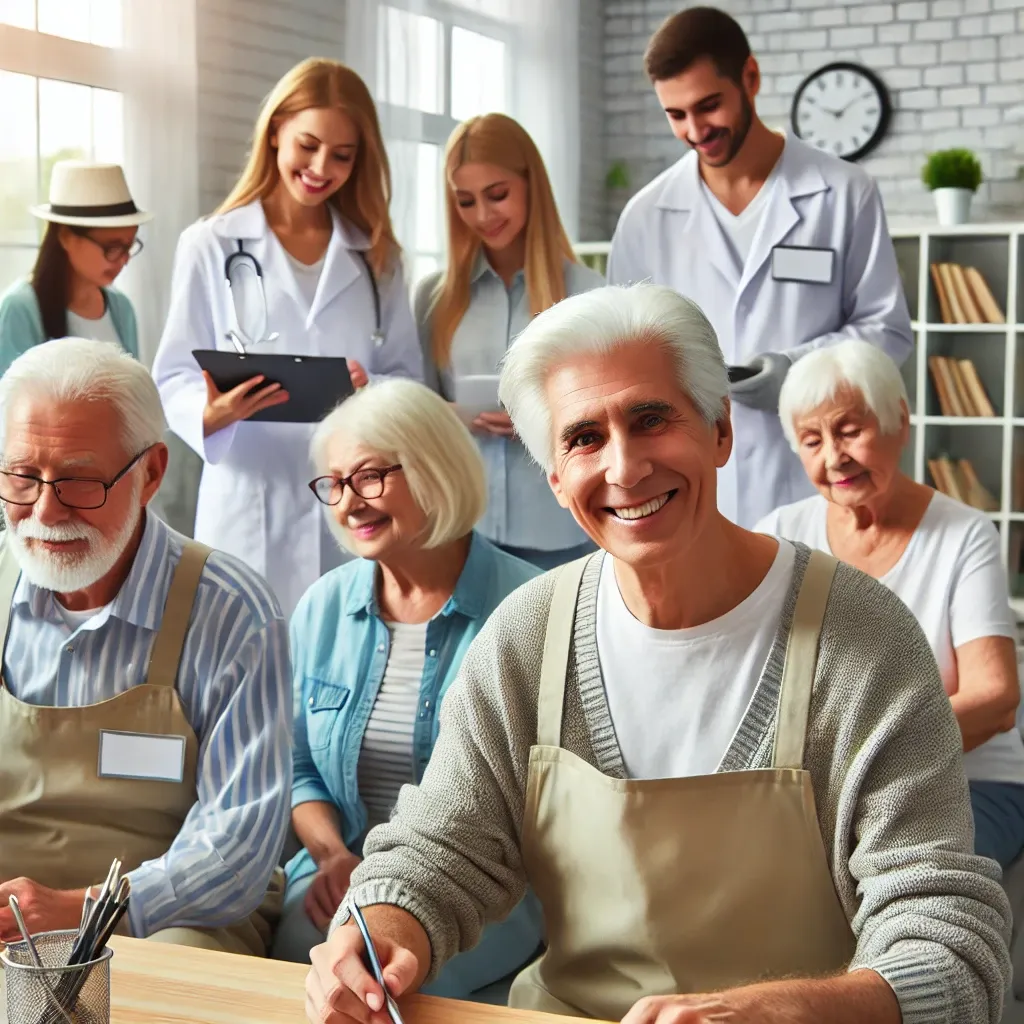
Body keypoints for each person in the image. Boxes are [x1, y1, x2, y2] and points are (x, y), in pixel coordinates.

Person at [304, 284, 1011, 1024]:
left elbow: (950, 947)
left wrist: (777, 1012)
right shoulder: (526, 636)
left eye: (650, 420)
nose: (624, 467)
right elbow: (439, 852)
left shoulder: (865, 639)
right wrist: (376, 933)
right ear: (554, 477)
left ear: (720, 430)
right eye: (583, 438)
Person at [0, 338, 292, 955]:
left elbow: (237, 847)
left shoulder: (232, 611)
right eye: (23, 478)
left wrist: (83, 909)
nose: (46, 512)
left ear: (152, 472)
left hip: (167, 919)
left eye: (80, 481)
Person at [272, 379, 543, 998]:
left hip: (473, 895)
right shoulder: (322, 607)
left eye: (369, 477)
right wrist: (332, 855)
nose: (349, 503)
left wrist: (391, 890)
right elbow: (299, 764)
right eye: (335, 485)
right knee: (301, 959)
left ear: (435, 469)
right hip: (329, 879)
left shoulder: (528, 607)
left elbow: (532, 803)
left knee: (386, 981)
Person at [606, 7, 912, 529]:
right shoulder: (645, 216)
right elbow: (619, 353)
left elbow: (886, 332)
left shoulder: (842, 192)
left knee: (815, 605)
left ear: (750, 78)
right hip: (692, 481)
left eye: (709, 106)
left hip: (812, 474)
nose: (696, 130)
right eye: (676, 115)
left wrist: (795, 373)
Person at [152, 58, 423, 618]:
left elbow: (408, 379)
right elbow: (172, 374)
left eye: (342, 155)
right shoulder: (212, 244)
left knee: (341, 675)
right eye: (308, 144)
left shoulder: (377, 259)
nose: (321, 167)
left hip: (351, 507)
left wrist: (369, 386)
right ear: (275, 130)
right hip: (250, 504)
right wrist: (212, 413)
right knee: (243, 676)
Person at [755, 339, 1024, 868]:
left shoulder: (963, 534)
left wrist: (858, 767)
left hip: (970, 782)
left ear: (899, 420)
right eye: (812, 440)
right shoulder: (781, 533)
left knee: (876, 868)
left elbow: (995, 699)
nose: (834, 457)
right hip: (824, 793)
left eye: (851, 430)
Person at [415, 113, 603, 571]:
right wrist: (455, 415)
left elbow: (605, 412)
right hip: (462, 528)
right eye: (465, 201)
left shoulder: (587, 292)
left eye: (497, 195)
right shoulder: (434, 299)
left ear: (530, 184)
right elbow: (417, 408)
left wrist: (540, 420)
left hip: (563, 529)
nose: (483, 215)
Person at [0, 161, 148, 374]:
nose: (124, 259)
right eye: (112, 247)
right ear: (65, 237)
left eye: (129, 246)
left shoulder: (121, 308)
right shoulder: (21, 308)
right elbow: (9, 403)